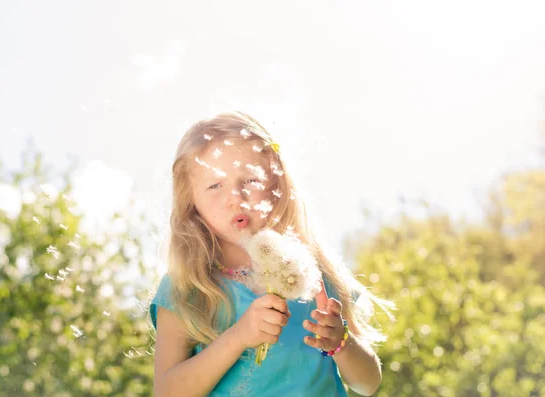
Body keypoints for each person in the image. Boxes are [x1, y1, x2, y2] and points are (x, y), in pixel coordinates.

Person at [149, 111, 396, 396]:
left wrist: (341, 343)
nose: (235, 197)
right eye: (215, 185)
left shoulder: (312, 273)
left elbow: (368, 384)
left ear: (276, 185)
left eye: (250, 181)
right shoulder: (188, 287)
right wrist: (239, 336)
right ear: (191, 202)